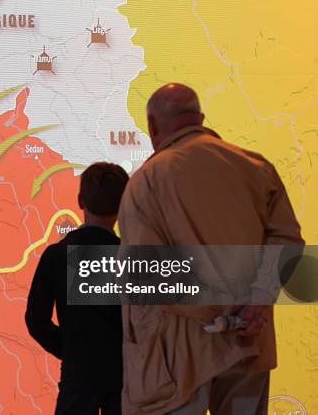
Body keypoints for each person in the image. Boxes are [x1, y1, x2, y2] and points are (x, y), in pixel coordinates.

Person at [118, 83, 305, 414]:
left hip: (178, 358)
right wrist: (254, 303)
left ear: (152, 125)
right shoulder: (256, 167)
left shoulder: (146, 181)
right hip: (250, 343)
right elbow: (287, 240)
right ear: (200, 118)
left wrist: (221, 314)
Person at [25, 162, 129, 415]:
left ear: (81, 201)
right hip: (125, 379)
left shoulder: (58, 255)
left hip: (78, 379)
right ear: (124, 204)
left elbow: (36, 321)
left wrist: (72, 350)